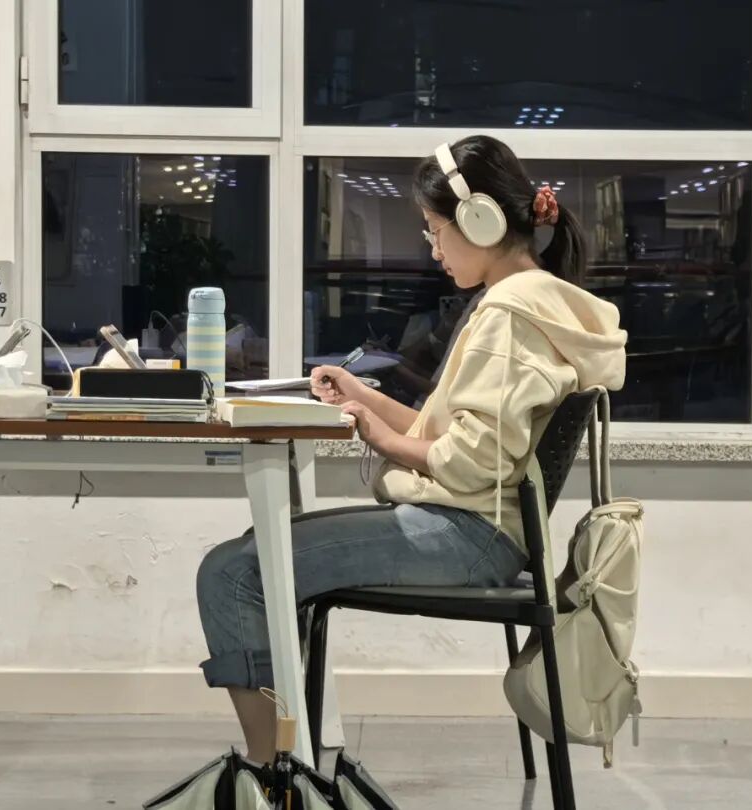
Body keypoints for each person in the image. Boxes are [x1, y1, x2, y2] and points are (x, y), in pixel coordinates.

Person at [195, 135, 628, 763]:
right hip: (477, 527)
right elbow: (445, 433)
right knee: (250, 558)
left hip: (467, 535)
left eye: (435, 230)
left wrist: (381, 437)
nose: (433, 248)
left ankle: (273, 775)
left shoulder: (509, 316)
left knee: (234, 573)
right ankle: (287, 763)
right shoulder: (530, 302)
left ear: (479, 221)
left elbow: (473, 461)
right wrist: (364, 399)